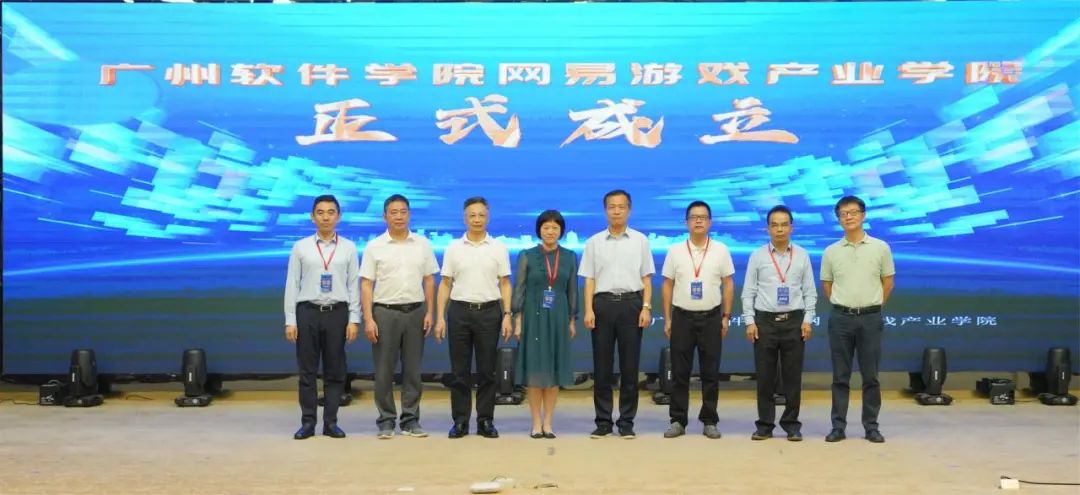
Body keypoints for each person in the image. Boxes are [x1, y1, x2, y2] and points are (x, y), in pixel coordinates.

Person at [360, 194, 438, 439]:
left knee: (413, 370)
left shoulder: (422, 244)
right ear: (385, 216)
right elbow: (366, 284)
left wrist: (430, 312)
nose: (399, 216)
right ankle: (386, 420)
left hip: (415, 312)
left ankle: (410, 420)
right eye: (393, 212)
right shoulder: (374, 246)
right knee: (384, 370)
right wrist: (368, 319)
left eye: (403, 212)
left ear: (409, 214)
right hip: (384, 312)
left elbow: (429, 280)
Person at [579, 189, 655, 439]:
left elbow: (647, 278)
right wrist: (588, 309)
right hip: (602, 304)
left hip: (632, 304)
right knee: (602, 367)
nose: (616, 211)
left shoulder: (640, 240)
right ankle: (603, 422)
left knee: (630, 367)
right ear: (605, 211)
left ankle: (626, 422)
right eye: (612, 207)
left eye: (621, 206)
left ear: (629, 210)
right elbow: (589, 279)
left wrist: (646, 307)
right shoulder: (594, 242)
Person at [435, 197, 513, 439]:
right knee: (459, 371)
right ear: (464, 218)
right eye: (472, 215)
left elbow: (505, 283)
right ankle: (460, 421)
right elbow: (445, 284)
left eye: (481, 215)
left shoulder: (498, 247)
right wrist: (440, 317)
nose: (477, 219)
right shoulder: (453, 248)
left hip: (489, 313)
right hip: (459, 312)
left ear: (487, 217)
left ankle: (485, 421)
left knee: (487, 371)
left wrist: (507, 314)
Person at [283, 194, 359, 440]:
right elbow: (292, 284)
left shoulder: (348, 247)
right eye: (320, 212)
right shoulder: (301, 247)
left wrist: (354, 319)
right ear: (312, 217)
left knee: (335, 370)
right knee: (307, 370)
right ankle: (307, 422)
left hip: (337, 313)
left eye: (330, 212)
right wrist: (290, 320)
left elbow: (353, 285)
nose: (326, 217)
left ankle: (330, 422)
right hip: (308, 312)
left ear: (338, 216)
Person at [820, 195, 895, 444]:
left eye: (853, 212)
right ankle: (838, 427)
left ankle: (871, 426)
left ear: (863, 215)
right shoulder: (831, 251)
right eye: (843, 214)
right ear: (838, 219)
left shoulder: (880, 247)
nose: (848, 217)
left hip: (870, 319)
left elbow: (888, 282)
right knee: (840, 377)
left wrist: (872, 306)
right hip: (841, 318)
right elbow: (827, 285)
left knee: (870, 376)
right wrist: (845, 305)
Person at [742, 205, 817, 442]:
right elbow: (748, 291)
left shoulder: (802, 255)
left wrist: (807, 319)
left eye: (784, 224)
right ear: (768, 229)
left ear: (791, 227)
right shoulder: (758, 256)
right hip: (765, 322)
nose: (780, 229)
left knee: (792, 377)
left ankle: (791, 424)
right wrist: (749, 321)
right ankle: (764, 425)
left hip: (794, 321)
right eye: (775, 225)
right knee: (765, 377)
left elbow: (810, 291)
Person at [660, 201, 734, 439]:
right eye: (694, 217)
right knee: (680, 372)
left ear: (710, 222)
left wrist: (726, 316)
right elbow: (667, 284)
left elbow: (728, 284)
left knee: (710, 372)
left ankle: (709, 420)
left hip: (711, 317)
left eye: (703, 217)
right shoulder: (675, 251)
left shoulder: (721, 250)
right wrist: (668, 318)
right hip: (682, 317)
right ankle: (677, 420)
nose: (698, 220)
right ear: (687, 223)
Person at [512, 210, 578, 439]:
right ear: (539, 230)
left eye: (555, 228)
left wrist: (572, 319)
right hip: (532, 316)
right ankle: (535, 422)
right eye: (546, 227)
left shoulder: (569, 256)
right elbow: (519, 288)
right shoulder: (527, 255)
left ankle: (548, 422)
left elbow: (572, 290)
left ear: (561, 231)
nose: (550, 232)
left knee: (553, 370)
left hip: (559, 315)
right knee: (535, 370)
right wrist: (518, 320)